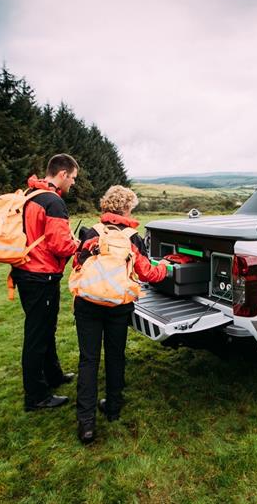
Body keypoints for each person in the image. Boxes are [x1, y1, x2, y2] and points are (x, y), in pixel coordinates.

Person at [73, 185, 169, 444]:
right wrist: (166, 267)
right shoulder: (133, 238)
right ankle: (113, 408)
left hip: (87, 303)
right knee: (115, 356)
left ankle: (87, 424)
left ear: (106, 206)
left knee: (88, 360)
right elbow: (149, 273)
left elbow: (77, 263)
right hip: (118, 305)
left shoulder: (93, 232)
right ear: (126, 208)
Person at [11, 154, 80, 412]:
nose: (73, 183)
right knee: (37, 335)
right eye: (72, 178)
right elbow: (60, 245)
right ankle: (36, 396)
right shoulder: (53, 202)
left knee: (44, 328)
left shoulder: (31, 194)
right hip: (41, 275)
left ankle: (53, 375)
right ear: (62, 174)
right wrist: (80, 244)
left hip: (25, 272)